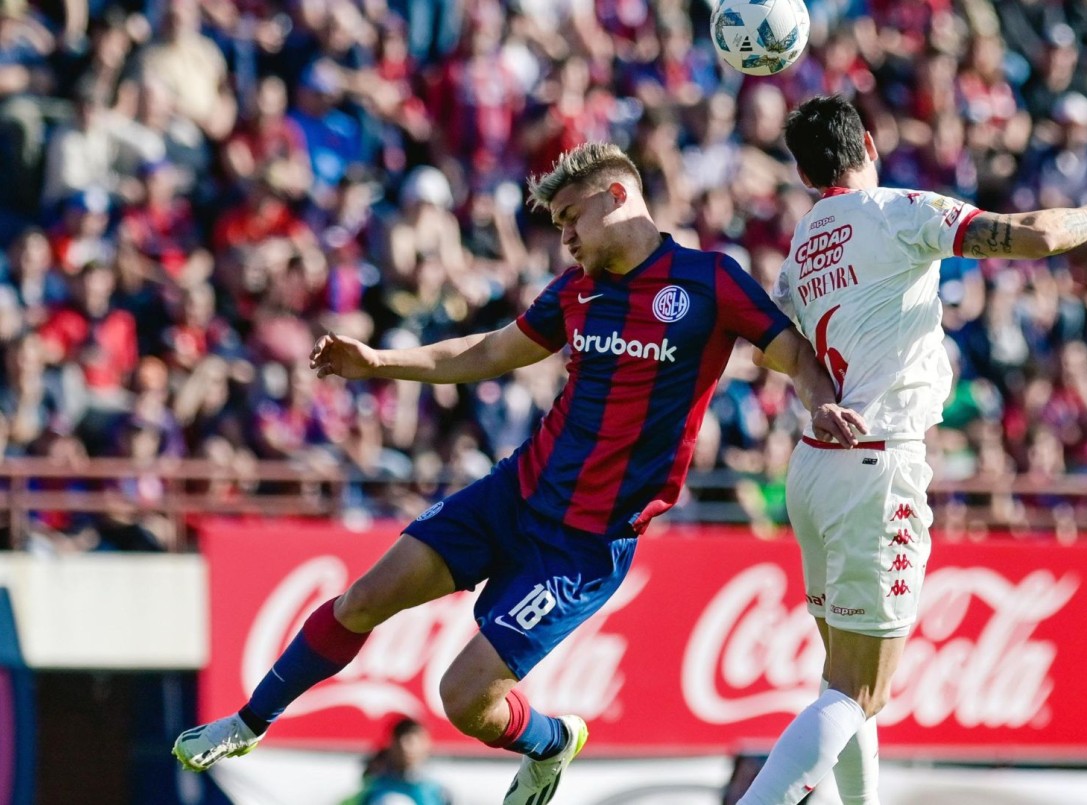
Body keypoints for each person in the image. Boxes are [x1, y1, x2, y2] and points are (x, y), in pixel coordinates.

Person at [171, 141, 864, 805]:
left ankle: (552, 740)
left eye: (570, 219)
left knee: (463, 697)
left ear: (617, 196)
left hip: (583, 545)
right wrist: (378, 362)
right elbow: (488, 351)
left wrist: (822, 400)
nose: (564, 237)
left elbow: (790, 351)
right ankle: (249, 721)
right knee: (362, 599)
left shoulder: (709, 282)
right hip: (513, 492)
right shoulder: (577, 290)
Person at [739, 95, 1087, 805]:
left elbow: (774, 349)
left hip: (816, 464)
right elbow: (1033, 237)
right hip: (880, 461)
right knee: (859, 689)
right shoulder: (896, 211)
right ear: (870, 142)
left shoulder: (803, 244)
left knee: (841, 679)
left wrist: (819, 392)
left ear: (807, 174)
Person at [349, 717, 453, 805]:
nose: (406, 748)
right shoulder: (372, 787)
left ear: (427, 744)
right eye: (401, 741)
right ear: (392, 745)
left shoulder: (438, 790)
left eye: (413, 742)